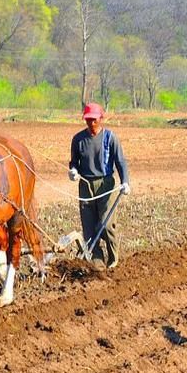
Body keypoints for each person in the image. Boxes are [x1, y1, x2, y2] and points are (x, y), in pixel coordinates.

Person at [69, 102, 130, 268]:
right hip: (85, 185)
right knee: (88, 227)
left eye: (94, 119)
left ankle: (113, 259)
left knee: (106, 223)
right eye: (88, 119)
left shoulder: (110, 138)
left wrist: (125, 181)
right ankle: (97, 263)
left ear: (101, 118)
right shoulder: (78, 140)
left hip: (106, 185)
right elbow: (73, 162)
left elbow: (121, 161)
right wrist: (73, 171)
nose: (91, 123)